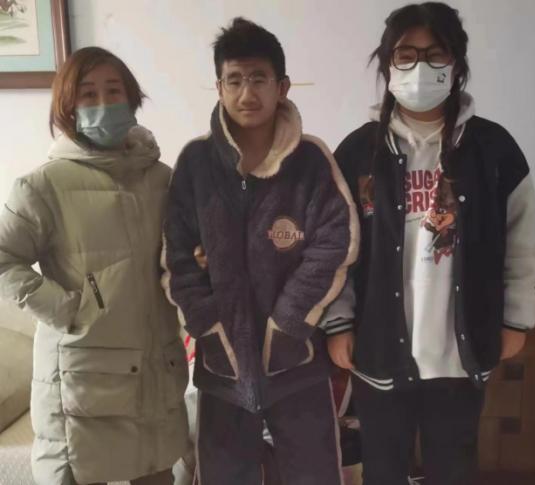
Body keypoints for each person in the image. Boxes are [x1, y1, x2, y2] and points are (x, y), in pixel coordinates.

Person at [326, 3, 535, 485]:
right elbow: (336, 250)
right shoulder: (358, 152)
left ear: (457, 64)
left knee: (454, 469)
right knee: (383, 470)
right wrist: (338, 322)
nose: (420, 67)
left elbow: (521, 241)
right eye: (406, 54)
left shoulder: (494, 149)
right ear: (387, 64)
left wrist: (515, 317)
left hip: (460, 355)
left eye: (435, 53)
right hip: (378, 349)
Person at [162, 17, 359, 485]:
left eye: (258, 79)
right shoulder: (195, 163)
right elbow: (176, 258)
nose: (246, 93)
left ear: (282, 86)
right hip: (221, 365)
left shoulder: (311, 160)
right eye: (234, 80)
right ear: (219, 87)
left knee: (314, 475)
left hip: (298, 360)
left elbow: (335, 243)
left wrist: (289, 323)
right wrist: (209, 327)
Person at [0, 46, 192, 485]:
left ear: (133, 97)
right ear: (67, 107)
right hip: (82, 382)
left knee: (158, 474)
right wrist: (69, 309)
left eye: (114, 90)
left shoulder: (163, 179)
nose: (104, 103)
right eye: (88, 94)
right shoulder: (42, 185)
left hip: (156, 373)